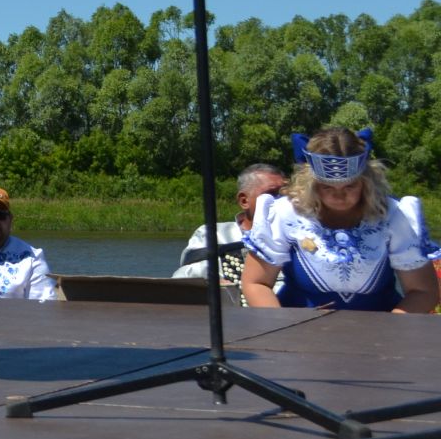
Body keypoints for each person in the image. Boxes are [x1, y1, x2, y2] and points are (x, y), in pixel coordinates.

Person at [242, 127, 439, 313]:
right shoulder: (285, 213)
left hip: (382, 334)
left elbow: (423, 291)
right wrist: (281, 329)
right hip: (297, 333)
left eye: (350, 187)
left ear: (366, 182)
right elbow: (257, 283)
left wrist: (390, 330)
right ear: (312, 183)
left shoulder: (394, 215)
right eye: (327, 187)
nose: (339, 196)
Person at [171, 163, 288, 295]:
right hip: (233, 313)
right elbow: (183, 280)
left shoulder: (302, 236)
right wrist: (209, 283)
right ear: (244, 201)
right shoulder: (213, 234)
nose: (282, 201)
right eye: (272, 194)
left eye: (285, 195)